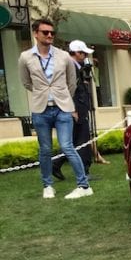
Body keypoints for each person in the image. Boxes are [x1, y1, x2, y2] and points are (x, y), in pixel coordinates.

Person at [18, 18, 92, 199]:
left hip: (62, 108)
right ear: (36, 34)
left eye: (52, 32)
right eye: (45, 32)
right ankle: (47, 186)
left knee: (67, 146)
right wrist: (42, 93)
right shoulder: (25, 57)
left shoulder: (63, 56)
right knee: (45, 149)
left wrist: (63, 97)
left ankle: (84, 186)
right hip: (40, 109)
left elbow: (71, 82)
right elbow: (26, 82)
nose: (50, 35)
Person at [53, 39, 95, 182]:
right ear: (77, 53)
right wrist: (73, 109)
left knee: (73, 140)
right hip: (76, 109)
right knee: (82, 139)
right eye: (83, 53)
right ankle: (84, 170)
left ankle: (56, 164)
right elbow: (69, 90)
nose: (85, 56)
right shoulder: (70, 67)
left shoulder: (77, 67)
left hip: (78, 107)